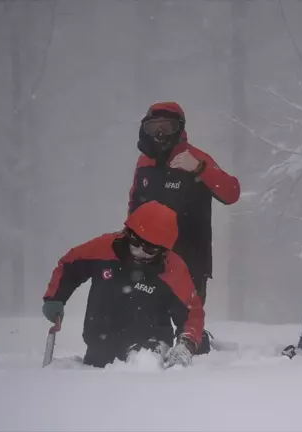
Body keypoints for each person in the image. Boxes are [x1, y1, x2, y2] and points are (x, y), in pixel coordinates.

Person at [128, 102, 240, 354]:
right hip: (149, 256)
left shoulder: (196, 158)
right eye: (153, 127)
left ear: (179, 129)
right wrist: (129, 244)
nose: (159, 134)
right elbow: (134, 204)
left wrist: (199, 169)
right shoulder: (144, 163)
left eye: (166, 127)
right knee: (149, 323)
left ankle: (194, 352)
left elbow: (232, 192)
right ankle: (152, 356)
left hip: (191, 256)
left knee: (188, 323)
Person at [42, 201, 205, 368]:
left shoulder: (173, 269)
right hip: (101, 345)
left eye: (149, 249)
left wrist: (186, 343)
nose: (140, 252)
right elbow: (69, 265)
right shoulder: (104, 248)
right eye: (136, 243)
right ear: (128, 233)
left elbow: (192, 313)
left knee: (143, 366)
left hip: (150, 348)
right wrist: (55, 298)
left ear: (163, 251)